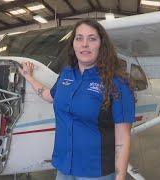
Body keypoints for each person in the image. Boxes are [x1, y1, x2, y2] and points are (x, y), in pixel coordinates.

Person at [19, 19, 135, 180]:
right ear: (73, 44)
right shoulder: (66, 74)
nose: (84, 44)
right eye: (79, 38)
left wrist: (120, 177)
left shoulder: (118, 83)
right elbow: (49, 96)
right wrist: (28, 77)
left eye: (92, 38)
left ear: (102, 45)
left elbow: (123, 137)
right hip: (64, 167)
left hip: (95, 171)